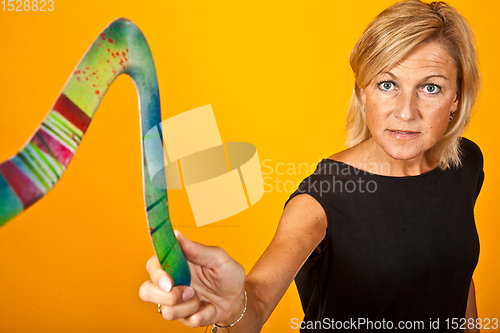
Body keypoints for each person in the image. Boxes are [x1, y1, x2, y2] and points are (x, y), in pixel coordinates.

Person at [139, 0, 484, 332]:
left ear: (456, 97)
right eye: (387, 84)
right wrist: (231, 307)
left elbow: (456, 275)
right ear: (363, 92)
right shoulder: (323, 197)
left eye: (430, 88)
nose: (406, 111)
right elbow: (255, 304)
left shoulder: (465, 164)